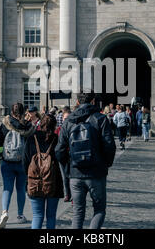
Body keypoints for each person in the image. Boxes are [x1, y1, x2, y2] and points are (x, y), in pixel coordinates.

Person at [56, 92, 116, 229]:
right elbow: (109, 146)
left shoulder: (69, 121)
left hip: (76, 173)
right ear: (93, 101)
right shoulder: (101, 119)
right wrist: (105, 164)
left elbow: (59, 150)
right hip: (96, 173)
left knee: (77, 213)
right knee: (99, 210)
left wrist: (68, 167)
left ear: (77, 102)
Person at [0, 102, 35, 229]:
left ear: (12, 112)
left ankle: (4, 212)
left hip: (7, 161)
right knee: (20, 189)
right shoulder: (28, 126)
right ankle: (20, 215)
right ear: (24, 112)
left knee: (7, 188)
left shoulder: (6, 123)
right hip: (22, 162)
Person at [23, 115, 63, 229]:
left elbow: (25, 162)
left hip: (34, 182)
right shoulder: (57, 139)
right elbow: (63, 160)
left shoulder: (32, 138)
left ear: (41, 124)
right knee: (51, 216)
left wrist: (29, 176)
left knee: (37, 215)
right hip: (53, 182)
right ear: (55, 126)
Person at [55, 109, 72, 202]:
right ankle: (67, 194)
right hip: (63, 155)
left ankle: (73, 195)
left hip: (72, 155)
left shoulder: (74, 128)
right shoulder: (58, 130)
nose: (66, 120)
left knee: (72, 176)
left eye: (68, 118)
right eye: (64, 118)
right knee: (65, 176)